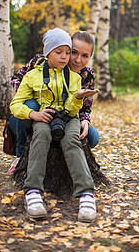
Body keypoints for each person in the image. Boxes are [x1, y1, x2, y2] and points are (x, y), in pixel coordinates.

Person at [10, 28, 98, 222]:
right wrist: (33, 113)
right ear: (47, 52)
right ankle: (32, 191)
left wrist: (77, 98)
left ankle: (86, 194)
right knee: (40, 135)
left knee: (72, 140)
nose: (67, 58)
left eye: (68, 52)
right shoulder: (34, 73)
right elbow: (16, 103)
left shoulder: (77, 77)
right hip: (43, 114)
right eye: (61, 52)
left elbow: (73, 110)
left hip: (69, 117)